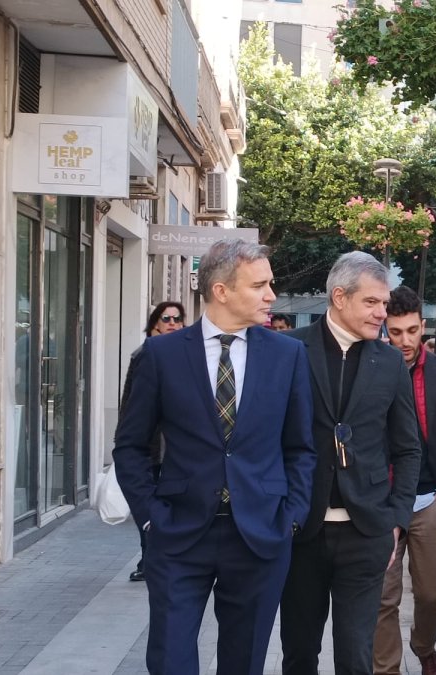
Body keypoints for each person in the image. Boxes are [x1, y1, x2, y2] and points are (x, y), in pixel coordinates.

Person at [113, 239, 317, 675]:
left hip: (260, 534)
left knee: (243, 664)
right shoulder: (161, 355)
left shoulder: (287, 355)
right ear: (221, 290)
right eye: (260, 285)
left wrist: (291, 515)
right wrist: (150, 516)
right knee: (171, 661)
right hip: (179, 533)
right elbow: (131, 445)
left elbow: (300, 446)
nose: (271, 296)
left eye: (270, 284)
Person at [279, 252, 423, 675]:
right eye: (373, 303)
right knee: (299, 654)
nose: (383, 313)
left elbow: (409, 448)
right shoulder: (289, 350)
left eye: (384, 303)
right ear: (339, 297)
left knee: (356, 657)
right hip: (301, 531)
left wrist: (396, 518)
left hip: (366, 532)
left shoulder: (390, 360)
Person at [374, 286, 436, 675]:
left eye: (412, 331)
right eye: (395, 332)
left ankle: (423, 644)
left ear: (422, 327)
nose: (404, 340)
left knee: (433, 591)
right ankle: (387, 669)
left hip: (429, 497)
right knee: (383, 596)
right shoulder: (372, 368)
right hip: (383, 501)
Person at [123, 301, 186, 583]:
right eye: (166, 318)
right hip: (152, 450)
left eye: (177, 318)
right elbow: (131, 407)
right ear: (155, 324)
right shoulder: (144, 356)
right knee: (150, 506)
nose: (172, 322)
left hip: (178, 451)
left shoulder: (191, 357)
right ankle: (149, 557)